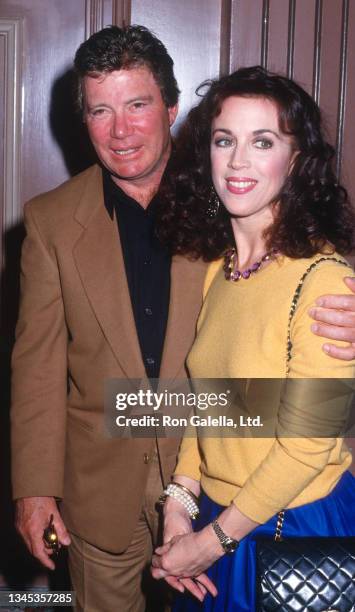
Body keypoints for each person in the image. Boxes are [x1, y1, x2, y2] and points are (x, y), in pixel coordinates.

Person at [10, 26, 355, 611]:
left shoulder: (231, 200)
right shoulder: (51, 222)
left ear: (172, 108)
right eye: (101, 110)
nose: (121, 130)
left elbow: (312, 271)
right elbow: (36, 365)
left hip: (254, 499)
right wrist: (35, 487)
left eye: (138, 104)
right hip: (110, 483)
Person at [152, 66, 355, 611]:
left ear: (296, 161)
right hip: (218, 521)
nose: (238, 161)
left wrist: (211, 542)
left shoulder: (323, 280)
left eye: (262, 141)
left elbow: (308, 445)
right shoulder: (220, 270)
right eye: (225, 141)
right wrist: (178, 503)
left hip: (292, 526)